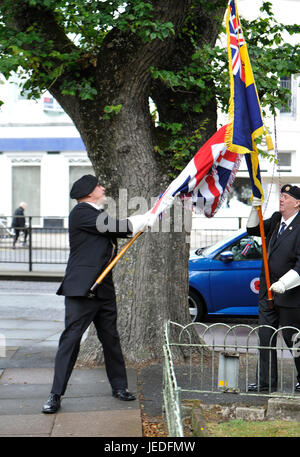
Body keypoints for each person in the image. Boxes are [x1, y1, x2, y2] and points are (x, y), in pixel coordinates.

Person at [42, 175, 151, 413]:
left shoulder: (94, 214)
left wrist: (143, 222)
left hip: (103, 287)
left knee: (110, 338)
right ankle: (55, 394)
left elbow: (121, 231)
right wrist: (145, 217)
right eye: (99, 186)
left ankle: (119, 386)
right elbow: (118, 227)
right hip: (82, 288)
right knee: (71, 340)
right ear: (90, 192)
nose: (103, 188)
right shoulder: (82, 212)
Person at [247, 184, 300, 392]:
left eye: (286, 197)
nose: (281, 199)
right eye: (281, 196)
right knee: (265, 337)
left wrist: (284, 284)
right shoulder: (277, 220)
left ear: (297, 203)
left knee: (294, 340)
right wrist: (254, 209)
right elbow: (253, 229)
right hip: (267, 294)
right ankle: (266, 382)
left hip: (290, 295)